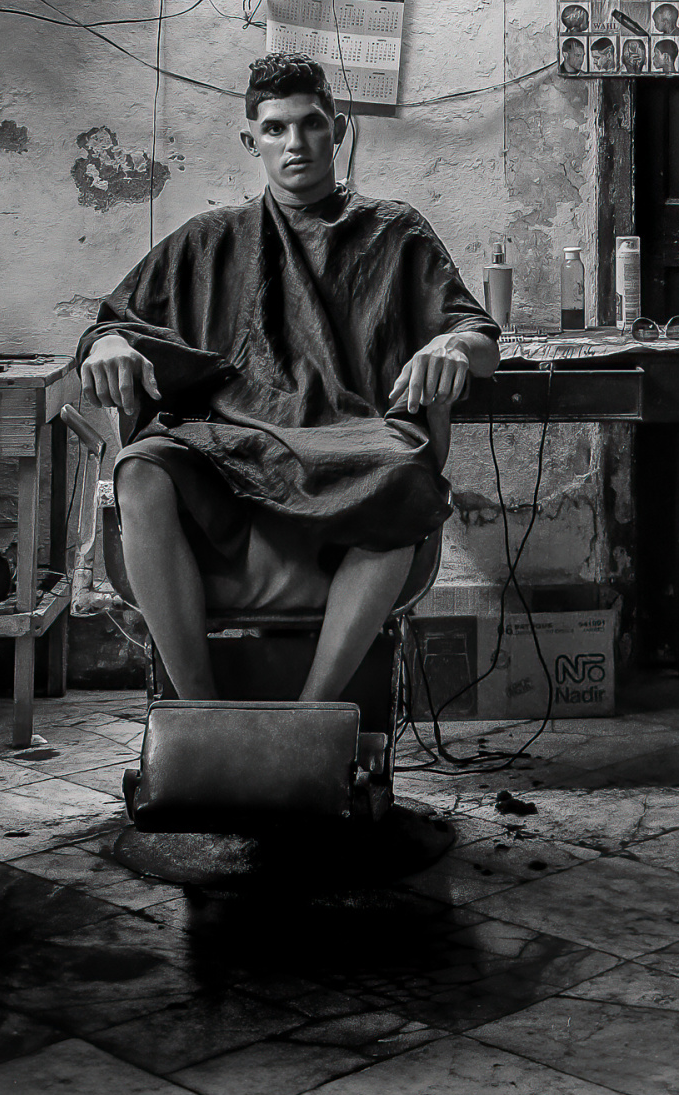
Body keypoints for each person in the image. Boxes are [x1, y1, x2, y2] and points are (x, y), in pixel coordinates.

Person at [77, 51, 500, 703]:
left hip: (354, 442)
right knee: (140, 470)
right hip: (227, 443)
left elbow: (480, 341)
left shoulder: (394, 232)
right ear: (252, 140)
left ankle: (310, 716)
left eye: (311, 124)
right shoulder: (208, 241)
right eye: (275, 128)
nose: (295, 143)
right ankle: (202, 714)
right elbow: (111, 324)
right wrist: (107, 344)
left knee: (403, 481)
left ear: (339, 128)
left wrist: (453, 347)